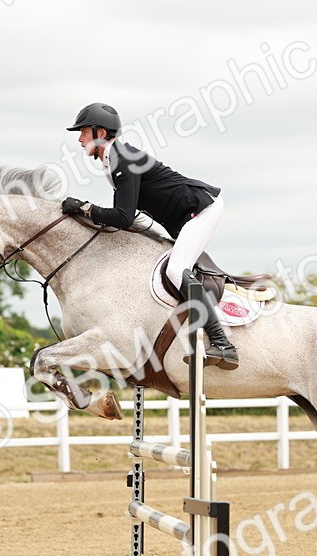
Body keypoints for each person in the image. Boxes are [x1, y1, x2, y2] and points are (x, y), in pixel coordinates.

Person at [61, 102, 238, 370]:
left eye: (83, 131)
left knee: (177, 271)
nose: (79, 138)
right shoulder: (113, 160)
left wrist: (86, 210)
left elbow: (122, 217)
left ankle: (222, 344)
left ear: (100, 132)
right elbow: (129, 217)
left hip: (199, 208)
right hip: (179, 217)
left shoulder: (121, 159)